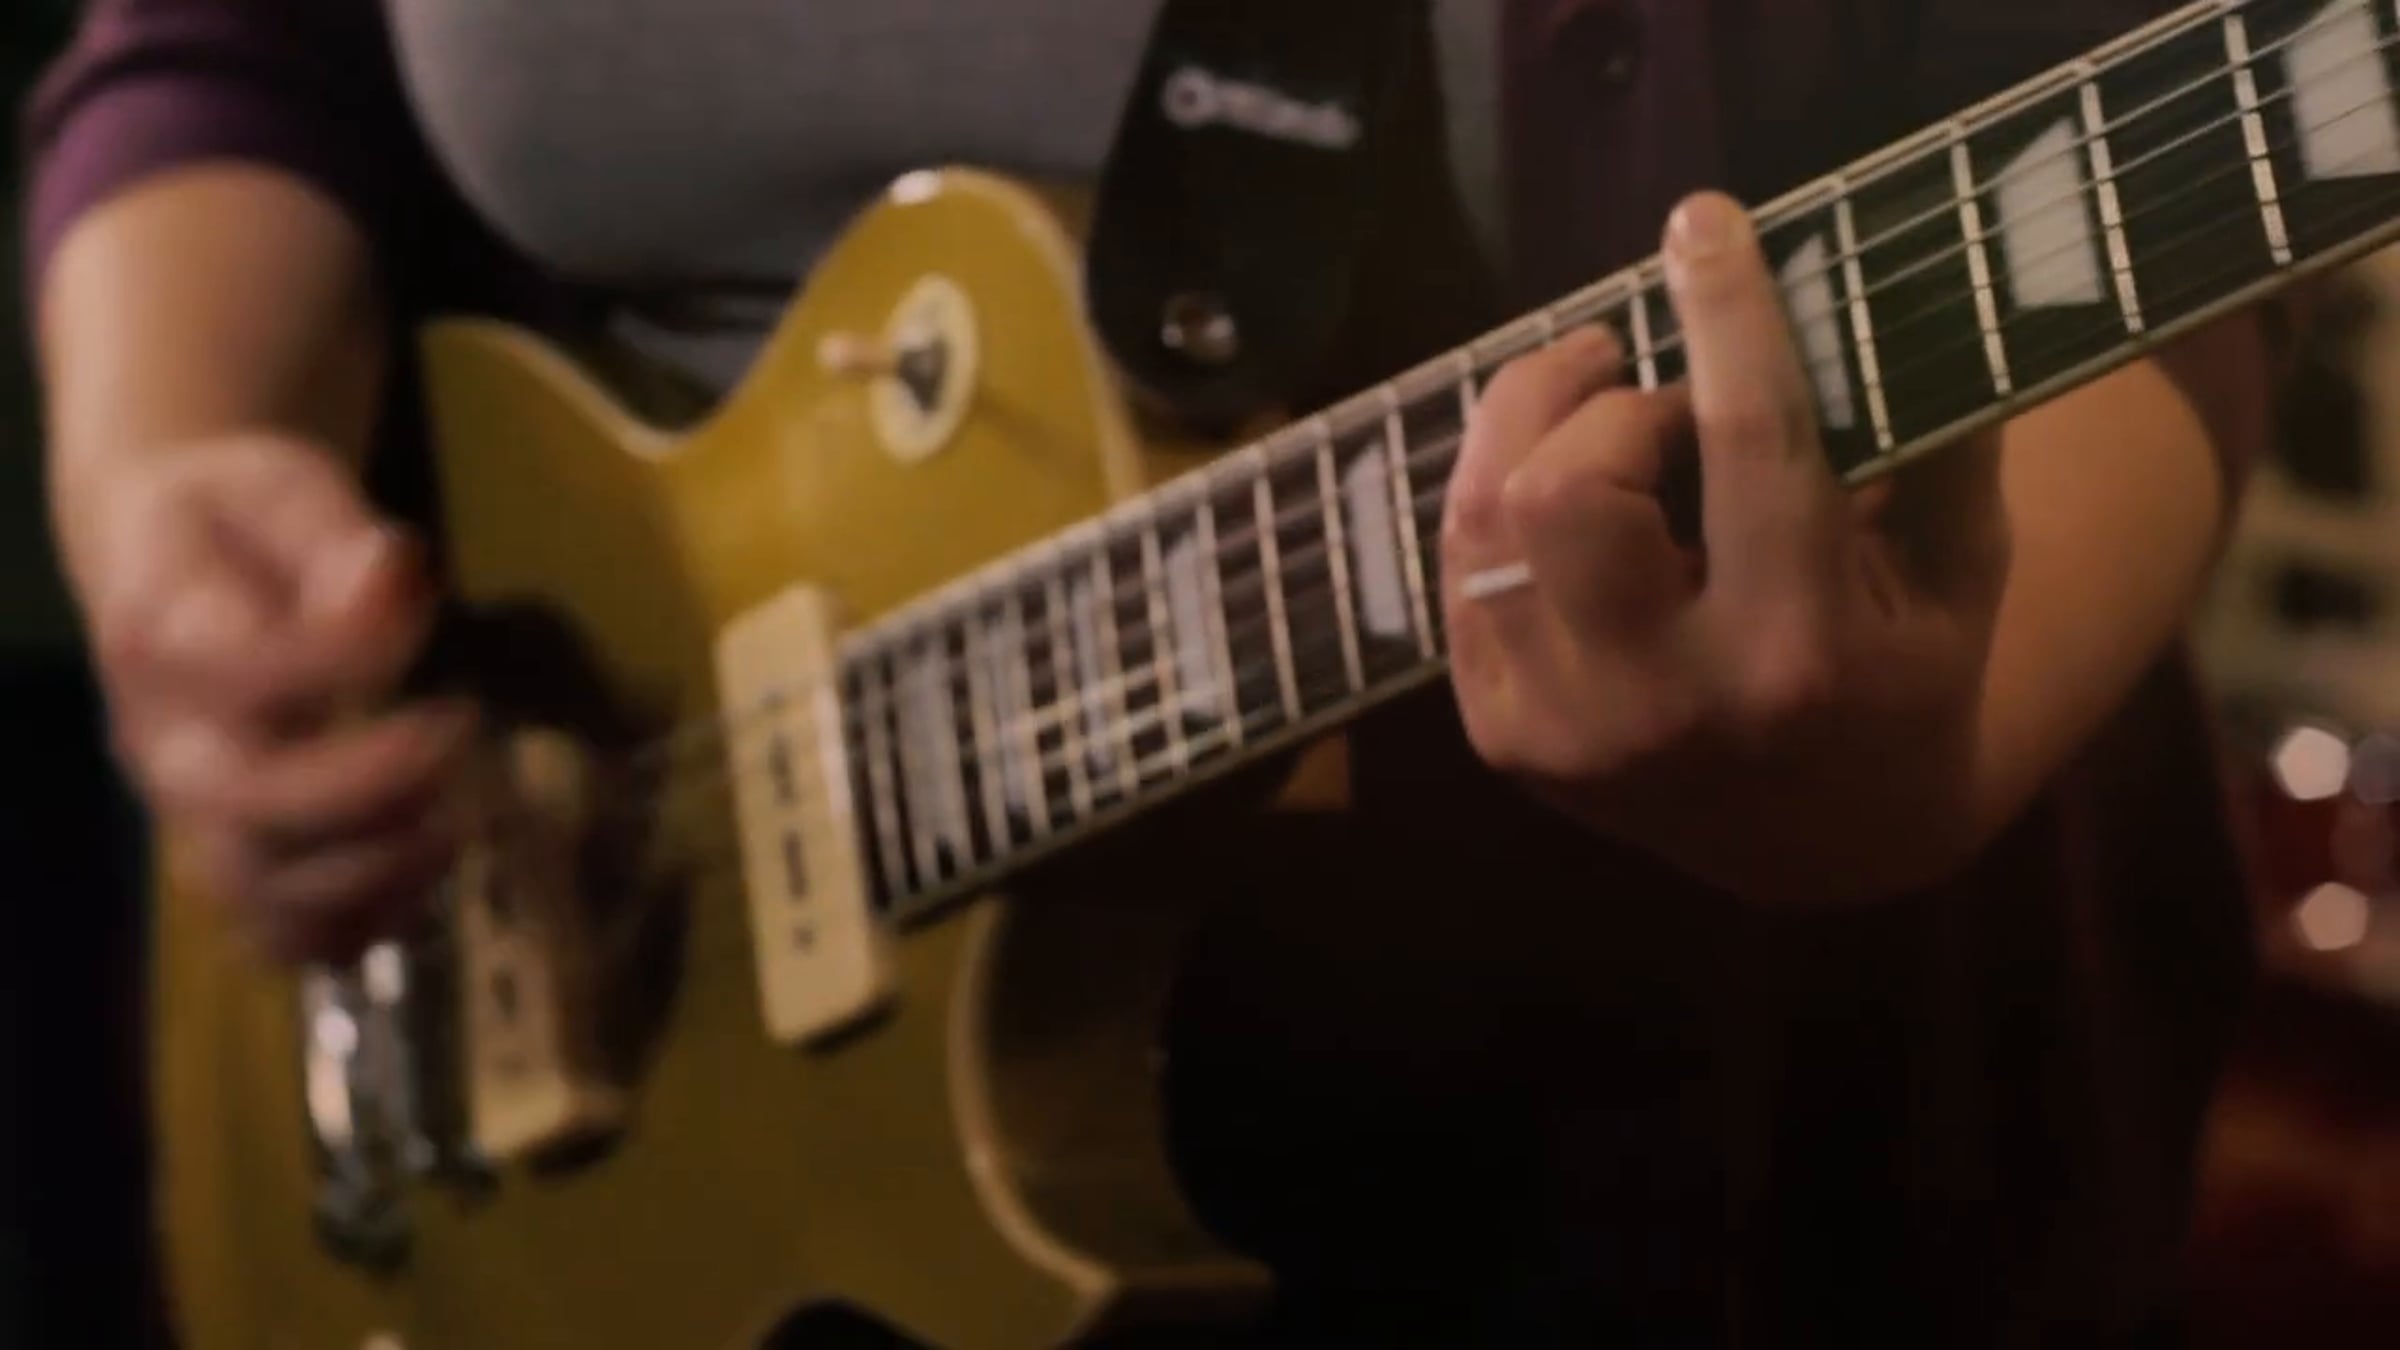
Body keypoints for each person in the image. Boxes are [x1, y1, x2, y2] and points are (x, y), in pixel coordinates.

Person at [23, 0, 2282, 1343]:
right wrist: (170, 463)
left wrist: (1909, 755)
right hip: (569, 1043)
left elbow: (2137, 126)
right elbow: (248, 47)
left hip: (1649, 1197)